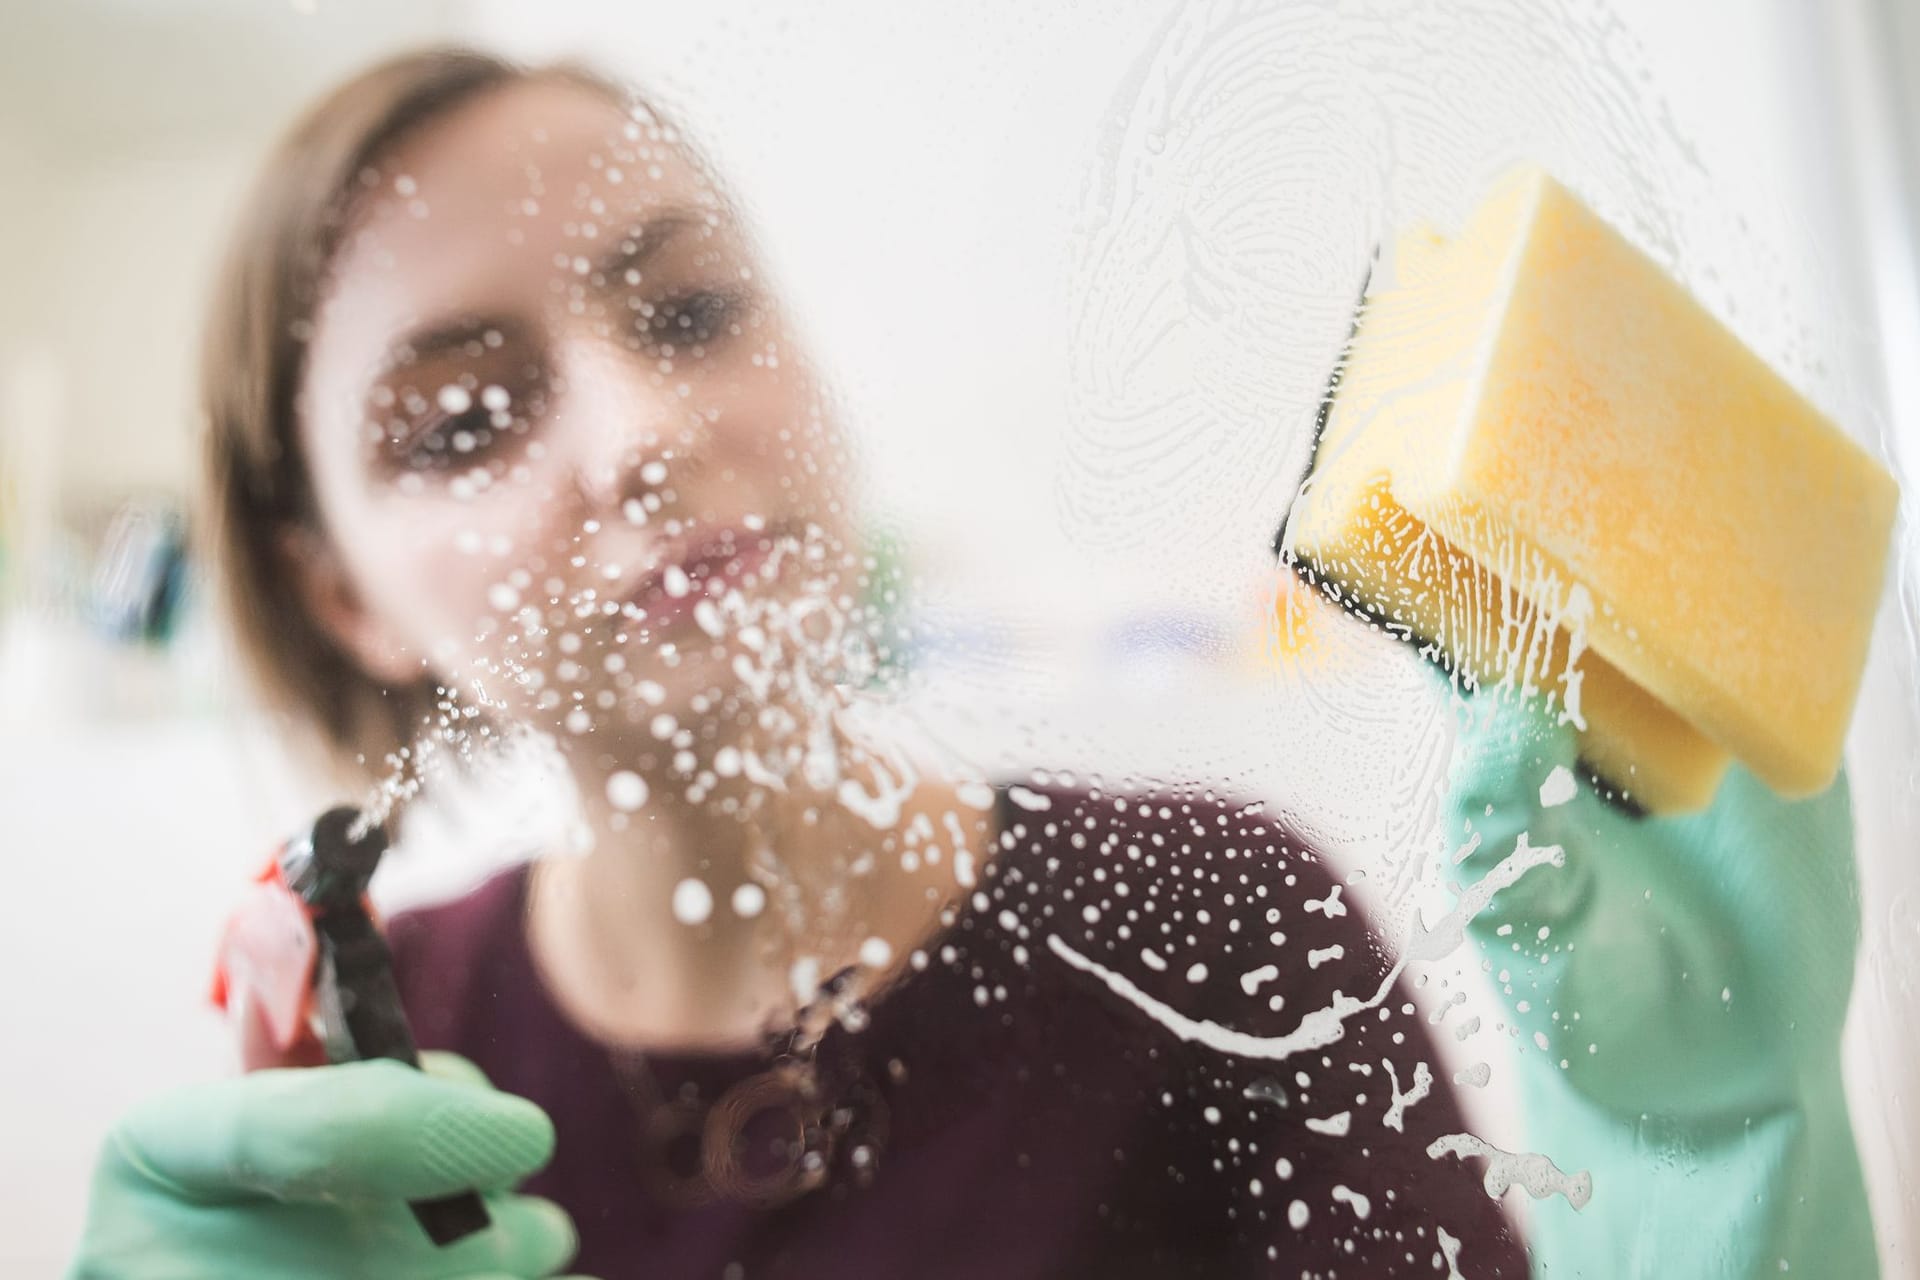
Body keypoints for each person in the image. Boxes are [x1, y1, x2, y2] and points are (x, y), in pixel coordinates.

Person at [65, 43, 1874, 1280]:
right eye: (464, 419)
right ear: (342, 597)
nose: (635, 431)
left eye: (690, 310)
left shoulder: (1215, 923)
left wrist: (1704, 1189)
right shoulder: (379, 1072)